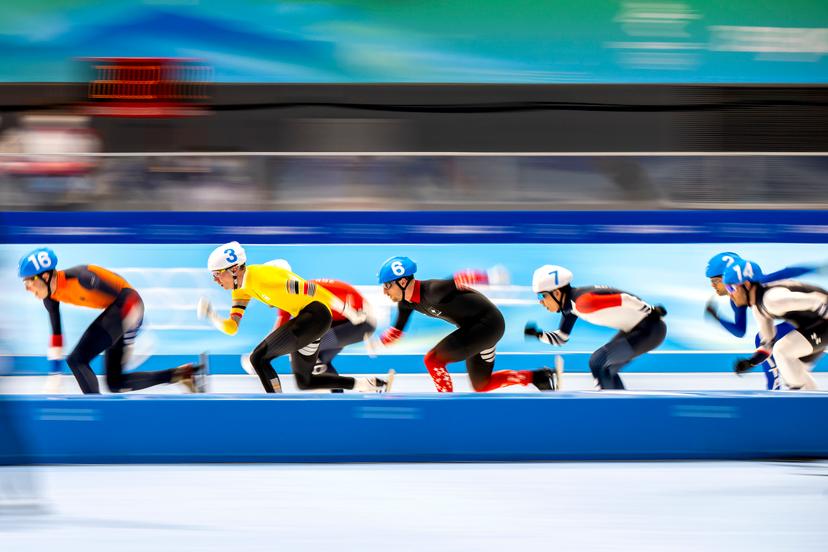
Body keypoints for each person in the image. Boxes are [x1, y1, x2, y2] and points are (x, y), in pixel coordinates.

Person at [198, 242, 391, 393]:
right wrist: (212, 316)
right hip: (315, 319)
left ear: (233, 269)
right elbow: (232, 327)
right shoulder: (241, 290)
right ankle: (368, 384)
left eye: (217, 275)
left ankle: (278, 406)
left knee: (259, 358)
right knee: (305, 381)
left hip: (321, 315)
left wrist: (349, 311)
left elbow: (314, 290)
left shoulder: (269, 280)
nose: (215, 280)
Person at [18, 247, 204, 394]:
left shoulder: (84, 278)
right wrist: (55, 374)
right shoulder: (50, 297)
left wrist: (132, 333)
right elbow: (57, 336)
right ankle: (180, 375)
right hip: (118, 312)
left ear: (44, 276)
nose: (27, 288)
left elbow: (130, 298)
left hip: (128, 304)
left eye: (28, 282)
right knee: (115, 383)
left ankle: (96, 411)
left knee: (77, 360)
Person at [376, 256, 558, 393]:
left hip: (487, 325)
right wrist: (378, 342)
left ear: (402, 281)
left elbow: (461, 278)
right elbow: (397, 331)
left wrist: (491, 276)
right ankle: (539, 377)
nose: (384, 291)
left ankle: (446, 405)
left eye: (387, 285)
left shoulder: (432, 290)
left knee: (432, 360)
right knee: (482, 385)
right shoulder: (405, 304)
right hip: (478, 329)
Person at [525, 264, 666, 390]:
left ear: (556, 293)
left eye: (542, 296)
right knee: (606, 368)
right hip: (636, 329)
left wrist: (652, 310)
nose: (541, 302)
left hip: (651, 329)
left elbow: (625, 299)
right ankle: (619, 406)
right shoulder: (571, 308)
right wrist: (538, 334)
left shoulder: (583, 302)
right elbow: (561, 338)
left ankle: (607, 404)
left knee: (598, 361)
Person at [250, 259, 377, 392]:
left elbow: (278, 334)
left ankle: (353, 390)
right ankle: (350, 392)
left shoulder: (288, 291)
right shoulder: (294, 286)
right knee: (319, 360)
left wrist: (255, 356)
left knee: (306, 347)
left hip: (358, 321)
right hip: (355, 320)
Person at [704, 252, 820, 390]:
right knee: (798, 374)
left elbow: (788, 272)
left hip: (811, 319)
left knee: (765, 341)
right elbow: (740, 330)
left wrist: (818, 269)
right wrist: (718, 317)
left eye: (716, 281)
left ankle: (774, 388)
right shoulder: (737, 299)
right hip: (805, 323)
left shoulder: (761, 284)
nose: (713, 286)